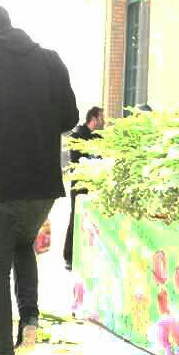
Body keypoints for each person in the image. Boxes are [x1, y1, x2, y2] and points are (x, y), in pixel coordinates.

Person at [0, 4, 78, 355]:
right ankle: (29, 316)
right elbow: (70, 118)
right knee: (24, 245)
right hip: (43, 184)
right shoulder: (51, 59)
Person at [63, 106, 104, 270]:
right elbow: (76, 162)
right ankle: (69, 256)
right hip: (80, 186)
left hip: (95, 186)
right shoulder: (77, 136)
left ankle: (87, 258)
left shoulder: (98, 138)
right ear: (94, 119)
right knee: (76, 217)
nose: (103, 121)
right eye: (101, 118)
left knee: (92, 222)